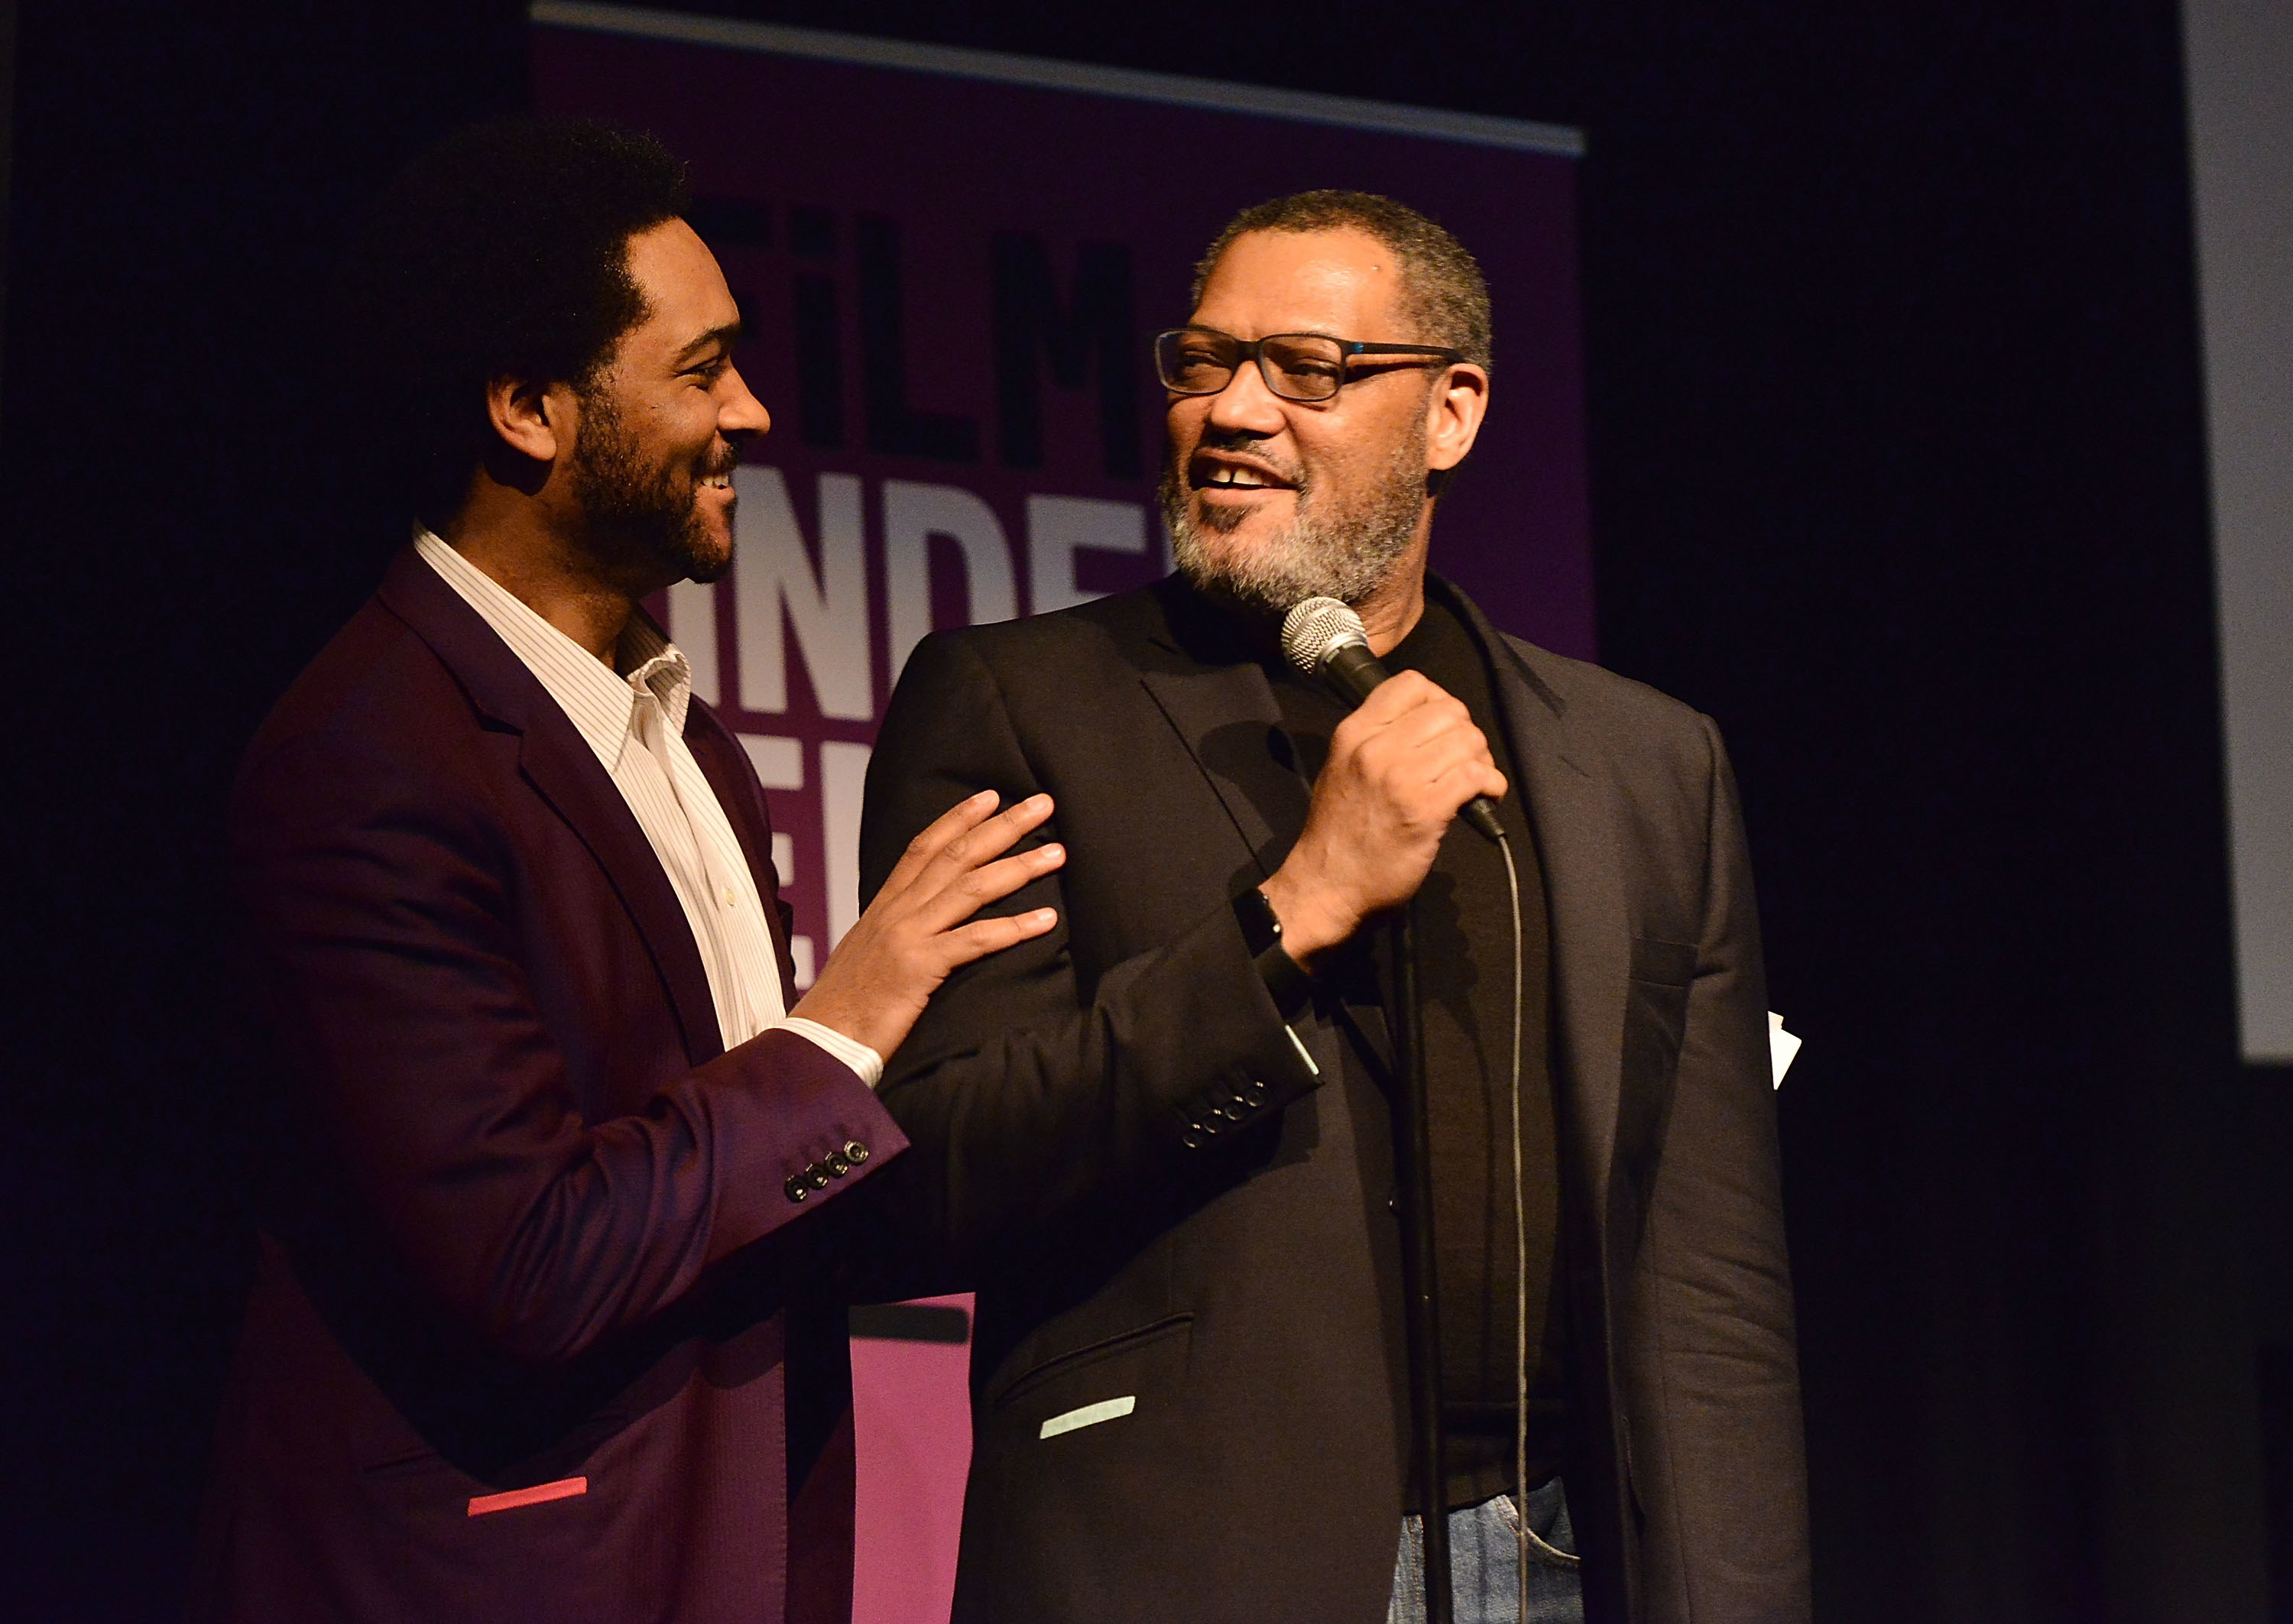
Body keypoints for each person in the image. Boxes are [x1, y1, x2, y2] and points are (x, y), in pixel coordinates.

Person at [859, 191, 1809, 1623]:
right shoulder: (1019, 700)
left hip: (1563, 1554)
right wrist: (1287, 911)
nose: (1233, 411)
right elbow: (937, 1167)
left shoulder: (1644, 759)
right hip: (1190, 1547)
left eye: (1307, 369)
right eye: (1201, 363)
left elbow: (1709, 1266)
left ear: (1452, 412)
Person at [188, 119, 1063, 1623]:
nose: (755, 406)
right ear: (530, 410)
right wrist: (843, 1021)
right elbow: (529, 1256)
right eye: (703, 367)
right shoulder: (368, 757)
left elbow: (742, 1196)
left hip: (742, 1559)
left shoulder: (680, 737)